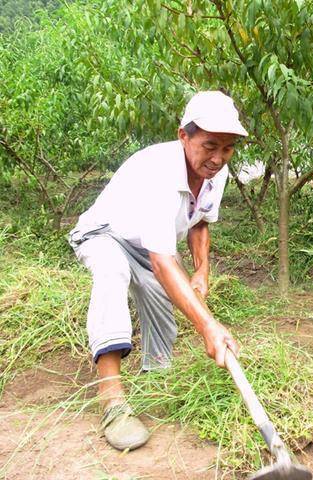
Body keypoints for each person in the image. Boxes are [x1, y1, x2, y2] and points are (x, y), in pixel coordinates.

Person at [68, 91, 246, 451]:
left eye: (226, 149)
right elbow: (164, 261)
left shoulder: (215, 173)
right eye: (210, 145)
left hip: (149, 244)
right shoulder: (159, 172)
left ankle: (156, 380)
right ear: (184, 135)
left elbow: (200, 222)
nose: (217, 158)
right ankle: (113, 402)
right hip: (106, 233)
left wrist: (202, 272)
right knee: (113, 272)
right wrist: (209, 326)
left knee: (163, 310)